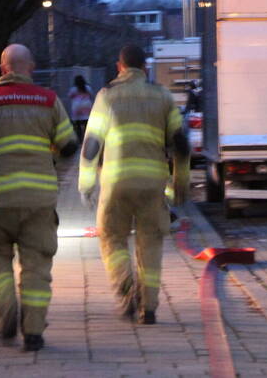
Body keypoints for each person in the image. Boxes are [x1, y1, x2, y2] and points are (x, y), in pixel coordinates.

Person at [0, 44, 77, 352]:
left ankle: (7, 309)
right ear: (31, 67)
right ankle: (34, 332)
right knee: (37, 265)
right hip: (39, 199)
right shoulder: (49, 101)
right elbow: (67, 146)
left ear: (2, 69)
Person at [78, 44, 190, 325]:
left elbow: (91, 144)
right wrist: (181, 187)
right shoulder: (163, 97)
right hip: (153, 184)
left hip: (116, 182)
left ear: (120, 67)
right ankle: (149, 308)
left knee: (111, 237)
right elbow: (181, 144)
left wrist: (86, 184)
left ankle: (126, 287)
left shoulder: (107, 96)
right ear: (146, 68)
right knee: (150, 243)